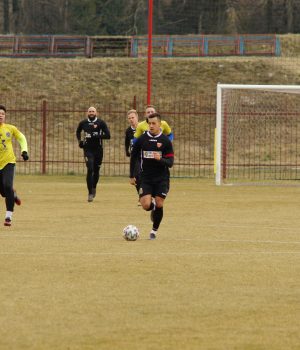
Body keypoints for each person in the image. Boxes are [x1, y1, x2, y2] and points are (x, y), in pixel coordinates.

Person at [130, 112, 174, 240]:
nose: (151, 126)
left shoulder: (165, 141)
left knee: (159, 203)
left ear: (160, 124)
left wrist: (160, 159)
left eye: (154, 123)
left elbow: (170, 163)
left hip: (162, 178)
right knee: (145, 205)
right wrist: (132, 175)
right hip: (146, 178)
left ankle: (154, 231)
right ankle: (152, 207)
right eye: (149, 123)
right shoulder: (142, 139)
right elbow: (133, 157)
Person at [0, 104, 29, 226]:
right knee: (4, 192)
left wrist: (24, 151)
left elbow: (21, 137)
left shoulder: (10, 128)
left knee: (7, 186)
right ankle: (13, 194)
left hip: (8, 162)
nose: (0, 115)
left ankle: (8, 217)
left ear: (5, 116)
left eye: (2, 114)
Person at [76, 106, 111, 202]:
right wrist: (80, 141)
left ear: (96, 113)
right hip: (88, 150)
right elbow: (78, 131)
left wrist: (96, 135)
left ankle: (94, 187)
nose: (91, 113)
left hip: (98, 150)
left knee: (96, 170)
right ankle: (90, 193)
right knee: (90, 168)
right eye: (90, 111)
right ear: (87, 113)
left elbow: (108, 135)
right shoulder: (83, 123)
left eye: (93, 111)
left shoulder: (101, 123)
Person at [125, 109, 141, 204]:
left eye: (133, 117)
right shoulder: (128, 131)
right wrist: (127, 150)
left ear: (137, 117)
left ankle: (148, 194)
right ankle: (141, 195)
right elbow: (127, 141)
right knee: (136, 175)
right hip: (134, 156)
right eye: (129, 118)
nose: (131, 120)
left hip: (143, 155)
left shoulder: (143, 128)